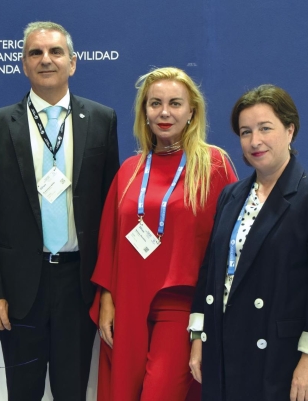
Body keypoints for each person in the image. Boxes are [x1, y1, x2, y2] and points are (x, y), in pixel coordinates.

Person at [0, 21, 120, 401]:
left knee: (73, 391)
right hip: (19, 291)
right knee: (22, 393)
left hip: (79, 285)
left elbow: (110, 213)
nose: (46, 60)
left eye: (55, 52)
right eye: (35, 53)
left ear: (73, 62)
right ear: (23, 64)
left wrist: (108, 291)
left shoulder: (102, 120)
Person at [189, 84, 308, 401]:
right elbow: (210, 272)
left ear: (290, 130)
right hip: (224, 347)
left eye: (265, 128)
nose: (255, 141)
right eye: (246, 132)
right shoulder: (231, 195)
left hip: (283, 360)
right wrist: (199, 335)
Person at [89, 67, 237, 400]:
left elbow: (229, 244)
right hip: (128, 304)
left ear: (192, 112)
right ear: (144, 112)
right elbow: (110, 242)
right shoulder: (129, 170)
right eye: (155, 103)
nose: (165, 112)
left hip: (180, 307)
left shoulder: (213, 164)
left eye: (175, 103)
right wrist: (107, 301)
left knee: (160, 393)